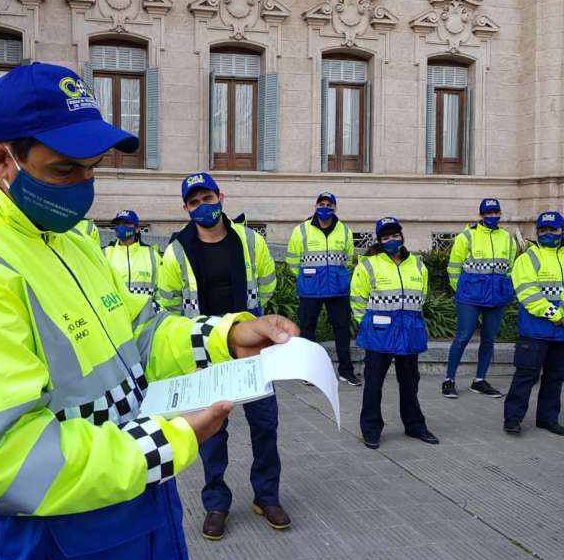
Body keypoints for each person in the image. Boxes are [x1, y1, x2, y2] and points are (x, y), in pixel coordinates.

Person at [0, 62, 298, 560]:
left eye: (93, 166)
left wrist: (225, 337)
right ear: (2, 159)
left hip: (120, 511)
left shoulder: (68, 238)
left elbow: (136, 332)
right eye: (64, 169)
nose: (84, 185)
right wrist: (172, 439)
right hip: (28, 542)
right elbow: (7, 463)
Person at [158, 172, 289, 540]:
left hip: (250, 351)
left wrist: (256, 325)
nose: (203, 206)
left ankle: (267, 496)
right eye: (195, 201)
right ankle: (216, 503)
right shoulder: (176, 252)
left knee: (266, 425)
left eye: (208, 198)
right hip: (204, 355)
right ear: (186, 208)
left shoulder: (249, 242)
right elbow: (168, 308)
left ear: (221, 197)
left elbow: (267, 285)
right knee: (212, 433)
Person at [351, 217, 439, 450]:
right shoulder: (368, 265)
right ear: (379, 241)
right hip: (379, 336)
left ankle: (415, 425)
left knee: (410, 383)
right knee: (373, 385)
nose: (392, 240)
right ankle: (370, 429)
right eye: (386, 237)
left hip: (409, 334)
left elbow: (421, 297)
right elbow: (358, 301)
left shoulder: (418, 265)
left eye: (395, 235)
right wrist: (371, 324)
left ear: (402, 236)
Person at [443, 198, 516, 399]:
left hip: (496, 296)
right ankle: (449, 380)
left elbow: (510, 268)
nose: (492, 216)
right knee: (463, 336)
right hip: (470, 296)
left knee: (489, 339)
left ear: (500, 213)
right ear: (481, 215)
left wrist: (505, 289)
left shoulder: (507, 238)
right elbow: (454, 267)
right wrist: (462, 290)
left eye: (495, 213)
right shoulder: (466, 236)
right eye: (488, 213)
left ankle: (479, 381)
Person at [286, 192, 359, 385]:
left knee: (342, 330)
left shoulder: (345, 231)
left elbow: (348, 259)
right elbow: (292, 261)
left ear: (335, 208)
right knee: (308, 329)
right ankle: (310, 372)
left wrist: (339, 278)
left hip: (338, 289)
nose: (325, 207)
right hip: (311, 289)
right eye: (321, 204)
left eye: (329, 204)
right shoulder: (301, 230)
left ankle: (346, 371)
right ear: (315, 206)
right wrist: (306, 277)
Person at [504, 211, 564, 436]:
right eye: (543, 230)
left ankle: (547, 419)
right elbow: (528, 294)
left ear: (561, 231)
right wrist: (556, 315)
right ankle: (512, 418)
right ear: (537, 232)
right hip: (535, 330)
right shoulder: (527, 259)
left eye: (553, 229)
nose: (548, 233)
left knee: (555, 378)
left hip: (560, 333)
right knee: (525, 376)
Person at [103, 209, 162, 298]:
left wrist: (155, 309)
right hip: (116, 311)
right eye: (118, 224)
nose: (121, 227)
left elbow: (162, 288)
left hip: (145, 311)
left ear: (137, 229)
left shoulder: (152, 255)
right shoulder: (105, 254)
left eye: (126, 223)